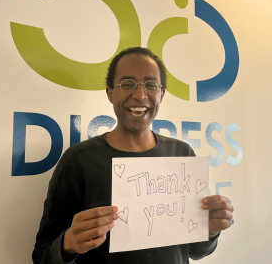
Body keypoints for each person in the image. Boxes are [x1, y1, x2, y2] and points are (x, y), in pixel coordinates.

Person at [32, 47, 234, 264]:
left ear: (161, 94)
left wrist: (211, 231)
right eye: (127, 84)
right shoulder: (79, 161)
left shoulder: (182, 155)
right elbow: (42, 255)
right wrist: (68, 244)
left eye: (151, 85)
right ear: (110, 93)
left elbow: (196, 251)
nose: (140, 95)